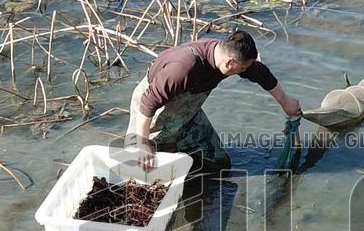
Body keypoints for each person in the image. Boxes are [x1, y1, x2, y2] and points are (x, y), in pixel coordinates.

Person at [125, 30, 301, 171]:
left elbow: (261, 74)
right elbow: (148, 103)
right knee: (145, 166)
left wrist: (286, 102)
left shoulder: (227, 56)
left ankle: (192, 175)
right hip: (154, 112)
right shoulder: (183, 68)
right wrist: (143, 143)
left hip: (189, 113)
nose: (245, 70)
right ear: (230, 63)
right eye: (243, 67)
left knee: (219, 163)